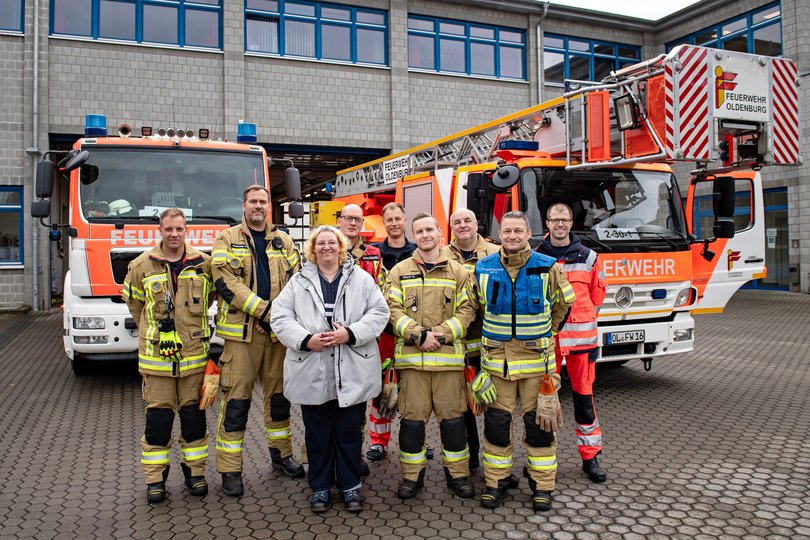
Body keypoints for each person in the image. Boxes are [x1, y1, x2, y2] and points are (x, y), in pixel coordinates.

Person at [271, 226, 389, 513]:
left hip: (352, 369)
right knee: (317, 434)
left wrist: (349, 333)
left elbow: (379, 312)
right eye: (320, 243)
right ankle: (320, 487)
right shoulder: (298, 282)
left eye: (331, 243)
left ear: (340, 247)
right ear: (313, 249)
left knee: (349, 432)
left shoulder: (361, 279)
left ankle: (351, 487)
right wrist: (304, 339)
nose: (326, 247)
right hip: (313, 369)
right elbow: (280, 315)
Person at [474, 211, 575, 512]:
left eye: (519, 230)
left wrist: (549, 332)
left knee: (540, 428)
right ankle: (497, 482)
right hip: (497, 367)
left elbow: (564, 302)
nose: (513, 236)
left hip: (537, 368)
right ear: (499, 234)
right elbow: (476, 310)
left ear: (530, 232)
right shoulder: (483, 268)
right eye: (507, 231)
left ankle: (542, 487)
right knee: (496, 427)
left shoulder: (548, 267)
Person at [211, 184, 304, 497]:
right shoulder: (228, 239)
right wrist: (265, 313)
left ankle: (282, 456)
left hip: (277, 335)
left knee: (279, 400)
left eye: (263, 201)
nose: (258, 206)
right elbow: (225, 282)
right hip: (243, 335)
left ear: (269, 206)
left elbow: (298, 281)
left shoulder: (284, 239)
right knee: (236, 402)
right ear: (244, 205)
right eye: (253, 201)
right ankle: (230, 468)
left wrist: (279, 318)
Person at [123, 208, 215, 503]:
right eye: (168, 229)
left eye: (179, 229)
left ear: (186, 230)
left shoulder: (203, 264)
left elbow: (211, 298)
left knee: (193, 420)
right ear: (159, 231)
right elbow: (135, 305)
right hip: (157, 363)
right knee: (158, 423)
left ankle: (196, 475)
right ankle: (155, 481)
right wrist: (154, 332)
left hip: (194, 361)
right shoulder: (140, 266)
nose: (174, 234)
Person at [384, 212, 477, 500]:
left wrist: (439, 335)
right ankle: (412, 478)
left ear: (439, 233)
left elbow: (467, 311)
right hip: (413, 366)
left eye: (429, 229)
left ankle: (458, 476)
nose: (425, 235)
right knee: (412, 424)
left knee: (453, 423)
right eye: (419, 231)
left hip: (448, 366)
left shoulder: (459, 272)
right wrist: (418, 335)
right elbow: (391, 310)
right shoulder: (399, 271)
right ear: (414, 236)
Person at [536, 203, 608, 483]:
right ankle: (543, 459)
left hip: (581, 344)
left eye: (564, 219)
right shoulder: (536, 256)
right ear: (547, 223)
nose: (559, 224)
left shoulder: (589, 257)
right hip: (547, 341)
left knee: (584, 401)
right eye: (554, 219)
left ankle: (591, 456)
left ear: (571, 222)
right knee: (544, 401)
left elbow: (597, 296)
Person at [441, 208, 499, 470]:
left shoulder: (496, 253)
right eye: (457, 222)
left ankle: (496, 458)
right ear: (451, 227)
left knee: (493, 403)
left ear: (477, 223)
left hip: (489, 344)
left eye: (467, 220)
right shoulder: (441, 256)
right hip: (456, 345)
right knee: (462, 407)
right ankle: (471, 457)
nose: (463, 225)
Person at [336, 204, 390, 465]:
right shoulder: (326, 248)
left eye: (358, 219)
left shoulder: (373, 255)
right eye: (348, 218)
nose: (353, 223)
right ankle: (333, 454)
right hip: (333, 338)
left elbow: (380, 295)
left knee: (357, 402)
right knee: (333, 400)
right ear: (339, 221)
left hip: (363, 338)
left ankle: (353, 456)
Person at [375, 202, 416, 272]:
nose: (394, 223)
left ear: (405, 220)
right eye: (389, 220)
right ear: (384, 223)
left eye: (397, 219)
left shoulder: (417, 251)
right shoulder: (374, 252)